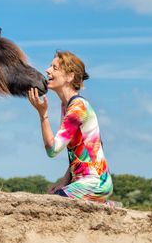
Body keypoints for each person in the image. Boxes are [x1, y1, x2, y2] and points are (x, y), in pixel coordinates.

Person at [27, 50, 113, 204]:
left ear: (69, 76)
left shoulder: (78, 108)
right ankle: (104, 206)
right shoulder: (66, 106)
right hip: (84, 182)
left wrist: (43, 115)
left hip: (94, 184)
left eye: (55, 68)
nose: (47, 71)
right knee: (53, 196)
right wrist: (64, 181)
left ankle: (107, 206)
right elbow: (78, 153)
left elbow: (52, 150)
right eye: (50, 66)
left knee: (51, 202)